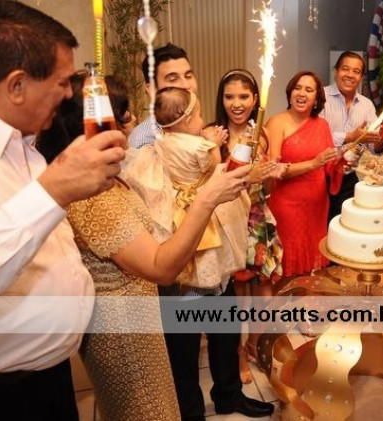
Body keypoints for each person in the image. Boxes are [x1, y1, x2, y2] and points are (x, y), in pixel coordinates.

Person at [39, 72, 251, 421]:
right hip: (123, 331)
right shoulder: (93, 197)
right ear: (91, 126)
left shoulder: (104, 178)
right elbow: (160, 266)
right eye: (122, 115)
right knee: (145, 410)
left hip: (141, 315)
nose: (132, 121)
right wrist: (207, 197)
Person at [0, 2, 126, 420]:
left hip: (48, 376)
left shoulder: (27, 149)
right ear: (17, 86)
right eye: (61, 82)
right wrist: (55, 189)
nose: (71, 94)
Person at [124, 86, 275, 421]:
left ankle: (228, 395)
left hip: (215, 256)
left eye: (189, 77)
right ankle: (190, 412)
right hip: (184, 261)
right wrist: (215, 147)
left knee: (225, 332)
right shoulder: (154, 139)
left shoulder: (178, 138)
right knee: (184, 347)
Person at [204, 68, 284, 384]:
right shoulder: (212, 135)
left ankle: (256, 345)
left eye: (243, 96)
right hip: (229, 222)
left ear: (254, 100)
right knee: (236, 295)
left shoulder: (263, 133)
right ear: (221, 100)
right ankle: (237, 352)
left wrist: (271, 174)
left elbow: (267, 188)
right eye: (229, 97)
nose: (236, 104)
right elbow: (210, 184)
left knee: (263, 292)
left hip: (259, 218)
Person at [266, 70, 343, 277]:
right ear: (290, 93)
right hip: (287, 207)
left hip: (317, 207)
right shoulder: (276, 122)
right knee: (286, 267)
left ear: (316, 98)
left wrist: (341, 163)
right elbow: (273, 169)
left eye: (309, 90)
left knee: (312, 271)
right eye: (297, 88)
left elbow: (329, 166)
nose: (302, 93)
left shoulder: (322, 125)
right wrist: (313, 163)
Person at [320, 51, 383, 223]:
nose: (350, 75)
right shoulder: (320, 97)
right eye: (345, 69)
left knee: (345, 224)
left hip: (347, 176)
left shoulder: (366, 105)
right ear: (336, 71)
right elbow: (316, 137)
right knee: (320, 225)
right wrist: (351, 136)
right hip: (320, 174)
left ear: (361, 77)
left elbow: (374, 148)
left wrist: (382, 138)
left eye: (356, 71)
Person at [129, 43, 198, 149]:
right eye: (173, 79)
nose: (186, 85)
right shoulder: (145, 140)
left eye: (188, 76)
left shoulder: (193, 124)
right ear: (152, 89)